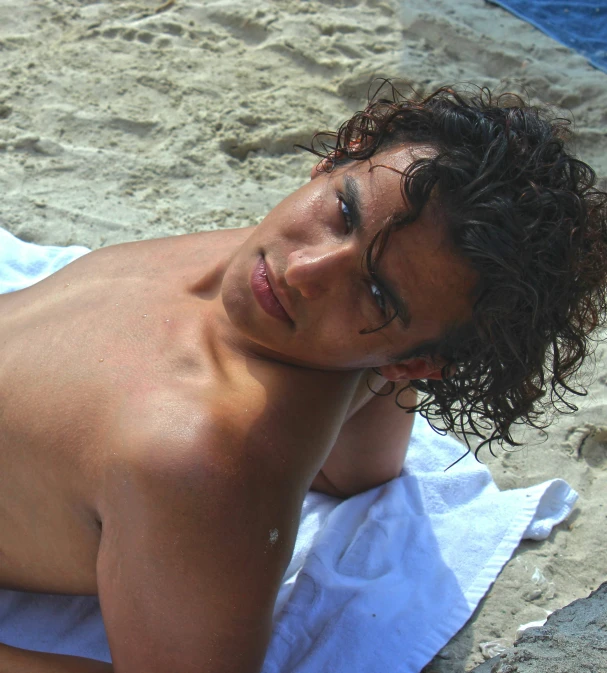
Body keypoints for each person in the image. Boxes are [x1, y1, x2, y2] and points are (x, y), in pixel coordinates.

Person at [0, 83, 605, 673]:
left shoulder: (201, 462)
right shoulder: (271, 281)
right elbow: (360, 475)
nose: (304, 271)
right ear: (339, 157)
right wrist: (370, 360)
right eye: (344, 213)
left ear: (415, 363)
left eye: (376, 294)